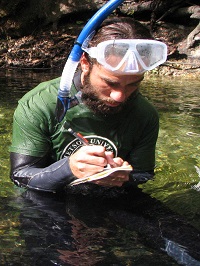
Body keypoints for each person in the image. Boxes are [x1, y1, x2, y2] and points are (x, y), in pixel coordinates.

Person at [9, 17, 168, 194]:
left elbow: (143, 175)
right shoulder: (40, 104)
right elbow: (20, 176)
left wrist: (124, 177)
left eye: (133, 84)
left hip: (112, 197)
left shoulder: (144, 114)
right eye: (110, 83)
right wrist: (68, 169)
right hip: (47, 200)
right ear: (85, 63)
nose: (120, 96)